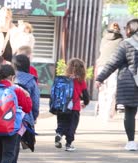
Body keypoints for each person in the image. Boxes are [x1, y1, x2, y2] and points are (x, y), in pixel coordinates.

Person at [96, 19, 138, 151]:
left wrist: (100, 78)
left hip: (130, 82)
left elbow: (113, 63)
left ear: (129, 30)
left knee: (130, 112)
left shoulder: (126, 44)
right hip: (130, 82)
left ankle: (131, 142)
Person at [8, 54, 40, 163]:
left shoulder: (8, 78)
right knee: (15, 140)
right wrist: (34, 117)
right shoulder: (31, 81)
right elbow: (35, 101)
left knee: (4, 140)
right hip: (22, 116)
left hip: (5, 113)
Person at [55, 58, 90, 151]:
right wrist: (85, 103)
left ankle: (59, 133)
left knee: (62, 123)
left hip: (62, 107)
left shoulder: (63, 79)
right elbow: (86, 96)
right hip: (74, 108)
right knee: (72, 126)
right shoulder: (81, 81)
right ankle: (68, 144)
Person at [95, 22, 123, 123]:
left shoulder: (103, 39)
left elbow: (101, 52)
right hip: (113, 68)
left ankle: (101, 113)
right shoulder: (121, 40)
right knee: (112, 91)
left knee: (102, 91)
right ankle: (108, 114)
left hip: (102, 66)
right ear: (118, 30)